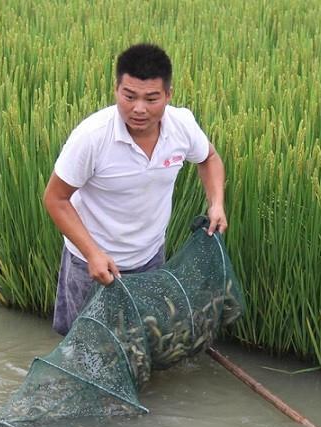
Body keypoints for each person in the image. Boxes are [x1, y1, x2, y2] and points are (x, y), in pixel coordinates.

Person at [43, 43, 227, 335]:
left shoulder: (182, 127)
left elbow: (209, 158)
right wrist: (92, 253)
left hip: (149, 260)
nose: (139, 108)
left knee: (142, 343)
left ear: (168, 94)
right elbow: (55, 198)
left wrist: (216, 202)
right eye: (129, 96)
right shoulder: (92, 137)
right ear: (116, 89)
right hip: (91, 263)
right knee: (82, 345)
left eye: (151, 98)